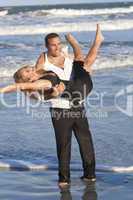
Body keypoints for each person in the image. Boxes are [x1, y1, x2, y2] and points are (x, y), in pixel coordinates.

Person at [0, 24, 104, 188]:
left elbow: (35, 79)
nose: (31, 69)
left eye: (29, 68)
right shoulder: (38, 77)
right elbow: (23, 88)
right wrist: (52, 92)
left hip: (77, 101)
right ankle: (64, 179)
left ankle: (89, 175)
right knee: (64, 145)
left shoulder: (45, 70)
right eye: (27, 71)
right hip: (61, 110)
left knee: (86, 142)